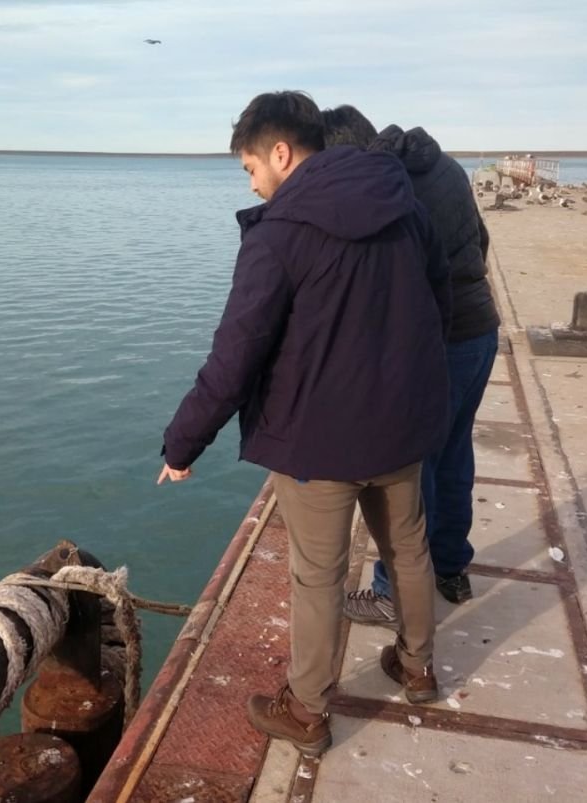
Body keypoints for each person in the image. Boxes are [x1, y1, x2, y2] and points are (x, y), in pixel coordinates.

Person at [157, 91, 451, 757]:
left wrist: (182, 442)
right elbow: (440, 296)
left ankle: (309, 710)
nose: (253, 182)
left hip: (320, 439)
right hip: (401, 423)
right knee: (408, 546)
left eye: (250, 168)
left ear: (281, 153)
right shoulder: (405, 206)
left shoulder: (279, 234)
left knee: (319, 573)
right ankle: (418, 665)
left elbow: (235, 354)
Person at [323, 106, 501, 629]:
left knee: (411, 472)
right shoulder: (441, 165)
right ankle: (450, 566)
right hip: (480, 329)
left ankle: (390, 592)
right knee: (453, 455)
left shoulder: (389, 188)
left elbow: (389, 277)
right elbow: (481, 242)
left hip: (442, 340)